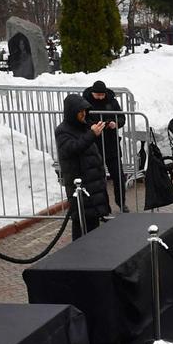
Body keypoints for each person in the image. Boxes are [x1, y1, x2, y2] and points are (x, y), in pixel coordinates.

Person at [56, 93, 112, 240]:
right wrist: (92, 134)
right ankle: (79, 258)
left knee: (93, 226)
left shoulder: (83, 127)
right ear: (72, 113)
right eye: (80, 112)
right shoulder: (63, 131)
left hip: (93, 184)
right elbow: (72, 148)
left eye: (84, 111)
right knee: (81, 226)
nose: (83, 114)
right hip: (80, 186)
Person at [84, 80, 127, 211]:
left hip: (112, 145)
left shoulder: (112, 101)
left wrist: (115, 123)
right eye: (97, 95)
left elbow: (122, 118)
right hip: (95, 146)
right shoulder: (85, 102)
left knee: (118, 176)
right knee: (98, 179)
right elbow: (83, 119)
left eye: (102, 95)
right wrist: (92, 126)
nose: (100, 97)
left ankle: (121, 203)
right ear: (92, 93)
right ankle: (104, 207)